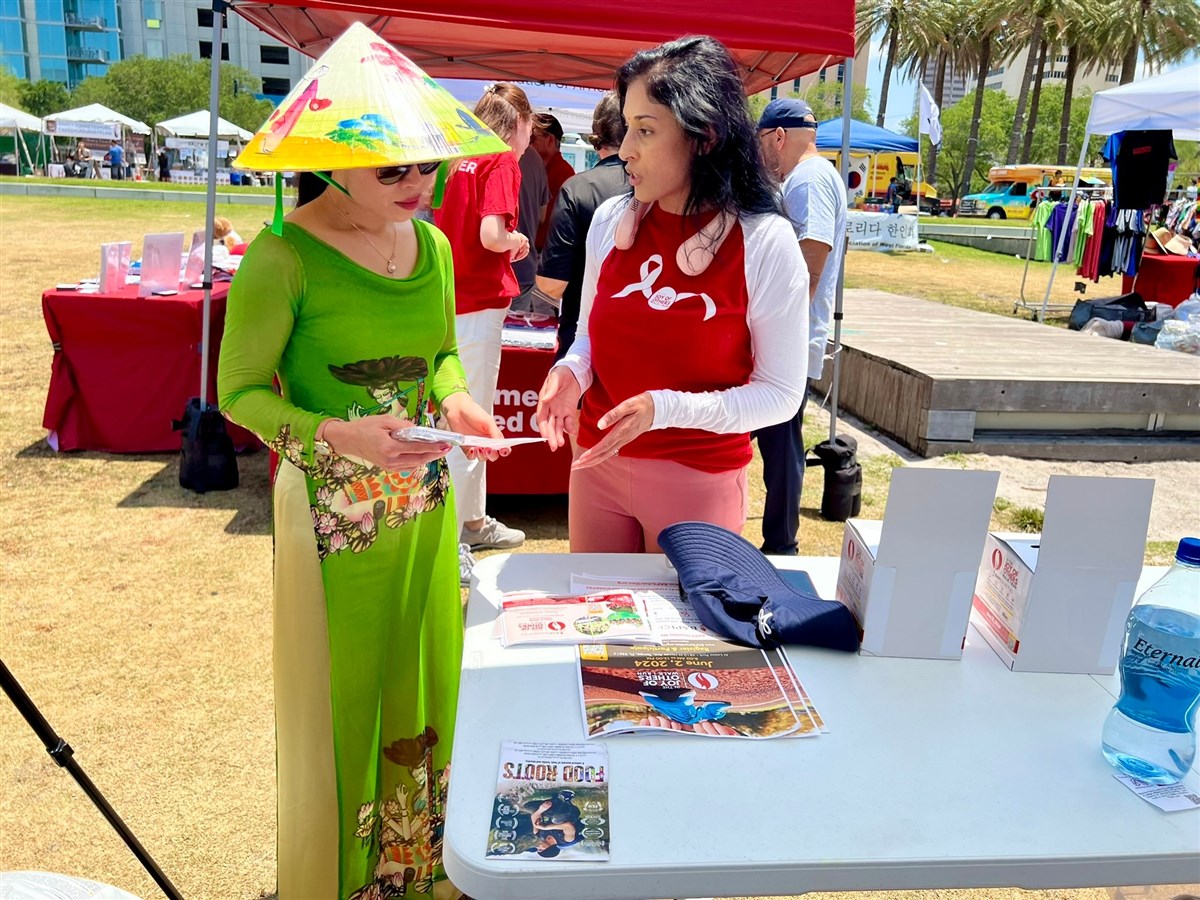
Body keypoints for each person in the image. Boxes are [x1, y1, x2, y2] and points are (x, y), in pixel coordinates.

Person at [218, 35, 510, 897]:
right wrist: (339, 437)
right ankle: (339, 880)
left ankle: (421, 869)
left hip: (421, 502)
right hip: (330, 522)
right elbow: (239, 393)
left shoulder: (434, 248)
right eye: (393, 172)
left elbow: (440, 360)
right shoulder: (282, 258)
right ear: (333, 165)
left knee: (423, 676)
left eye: (429, 166)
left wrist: (456, 404)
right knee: (341, 699)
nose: (418, 187)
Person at [536, 35, 809, 553]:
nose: (625, 150)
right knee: (600, 626)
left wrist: (663, 409)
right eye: (626, 128)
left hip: (698, 480)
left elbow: (780, 394)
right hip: (596, 464)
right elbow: (589, 336)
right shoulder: (611, 221)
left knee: (686, 636)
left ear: (703, 136)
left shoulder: (763, 242)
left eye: (646, 130)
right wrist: (571, 372)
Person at [434, 82, 532, 580]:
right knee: (470, 421)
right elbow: (491, 234)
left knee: (457, 414)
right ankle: (455, 538)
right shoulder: (501, 161)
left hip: (444, 301)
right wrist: (518, 240)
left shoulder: (456, 158)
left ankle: (470, 520)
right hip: (477, 305)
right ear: (520, 122)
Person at [752, 98, 847, 555]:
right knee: (778, 441)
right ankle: (780, 539)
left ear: (778, 137)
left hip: (791, 336)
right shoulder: (817, 174)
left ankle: (782, 543)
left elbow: (812, 255)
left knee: (781, 445)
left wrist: (781, 330)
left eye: (761, 144)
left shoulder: (807, 179)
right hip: (793, 333)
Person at [537, 91, 629, 360]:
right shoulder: (667, 188)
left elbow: (551, 285)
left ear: (597, 133)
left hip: (583, 339)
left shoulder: (578, 189)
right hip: (643, 336)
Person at [509, 144, 549, 314]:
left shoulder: (488, 154)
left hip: (485, 271)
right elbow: (542, 215)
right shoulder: (534, 157)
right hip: (524, 266)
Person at [531, 112, 578, 250]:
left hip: (544, 250)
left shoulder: (562, 172)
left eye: (532, 138)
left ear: (550, 140)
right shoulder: (542, 168)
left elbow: (544, 219)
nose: (528, 143)